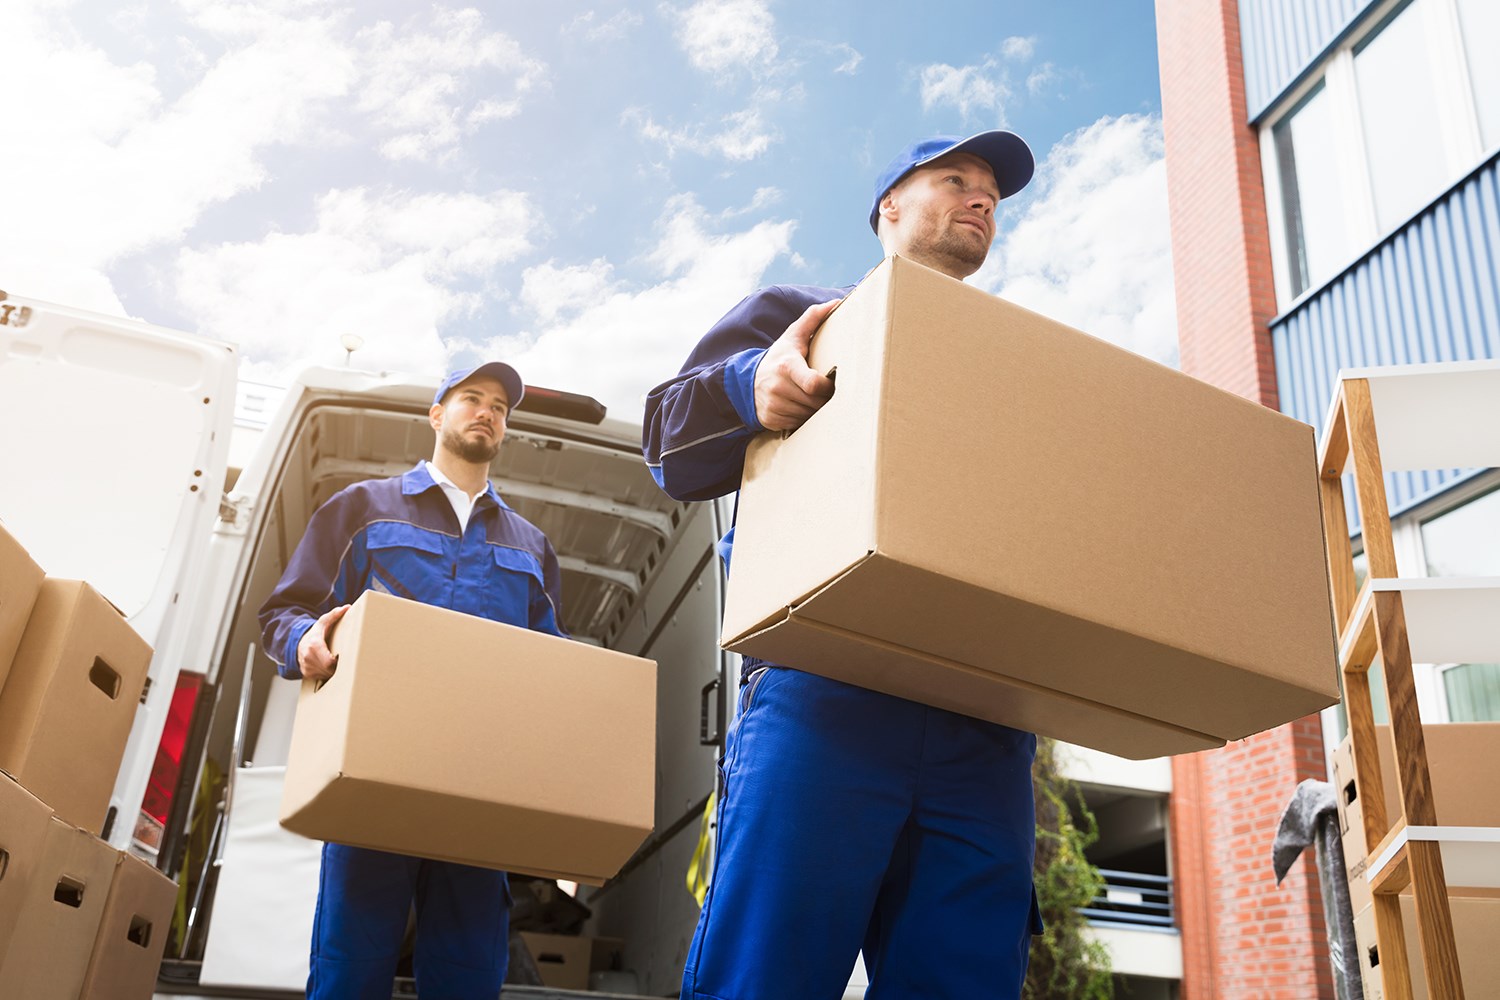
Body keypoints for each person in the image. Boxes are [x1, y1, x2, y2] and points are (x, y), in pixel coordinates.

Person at [643, 132, 1043, 1000]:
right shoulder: (804, 317)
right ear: (888, 206)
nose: (982, 199)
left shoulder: (1020, 363)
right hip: (825, 694)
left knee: (966, 978)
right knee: (766, 974)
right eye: (956, 180)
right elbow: (669, 450)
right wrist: (753, 386)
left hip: (985, 719)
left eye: (992, 195)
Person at [259, 361, 565, 999]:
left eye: (501, 408)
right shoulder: (362, 510)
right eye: (471, 399)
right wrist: (306, 642)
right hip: (372, 770)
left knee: (470, 970)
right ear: (436, 414)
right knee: (351, 963)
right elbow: (284, 612)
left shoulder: (531, 545)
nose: (487, 412)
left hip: (479, 785)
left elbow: (551, 668)